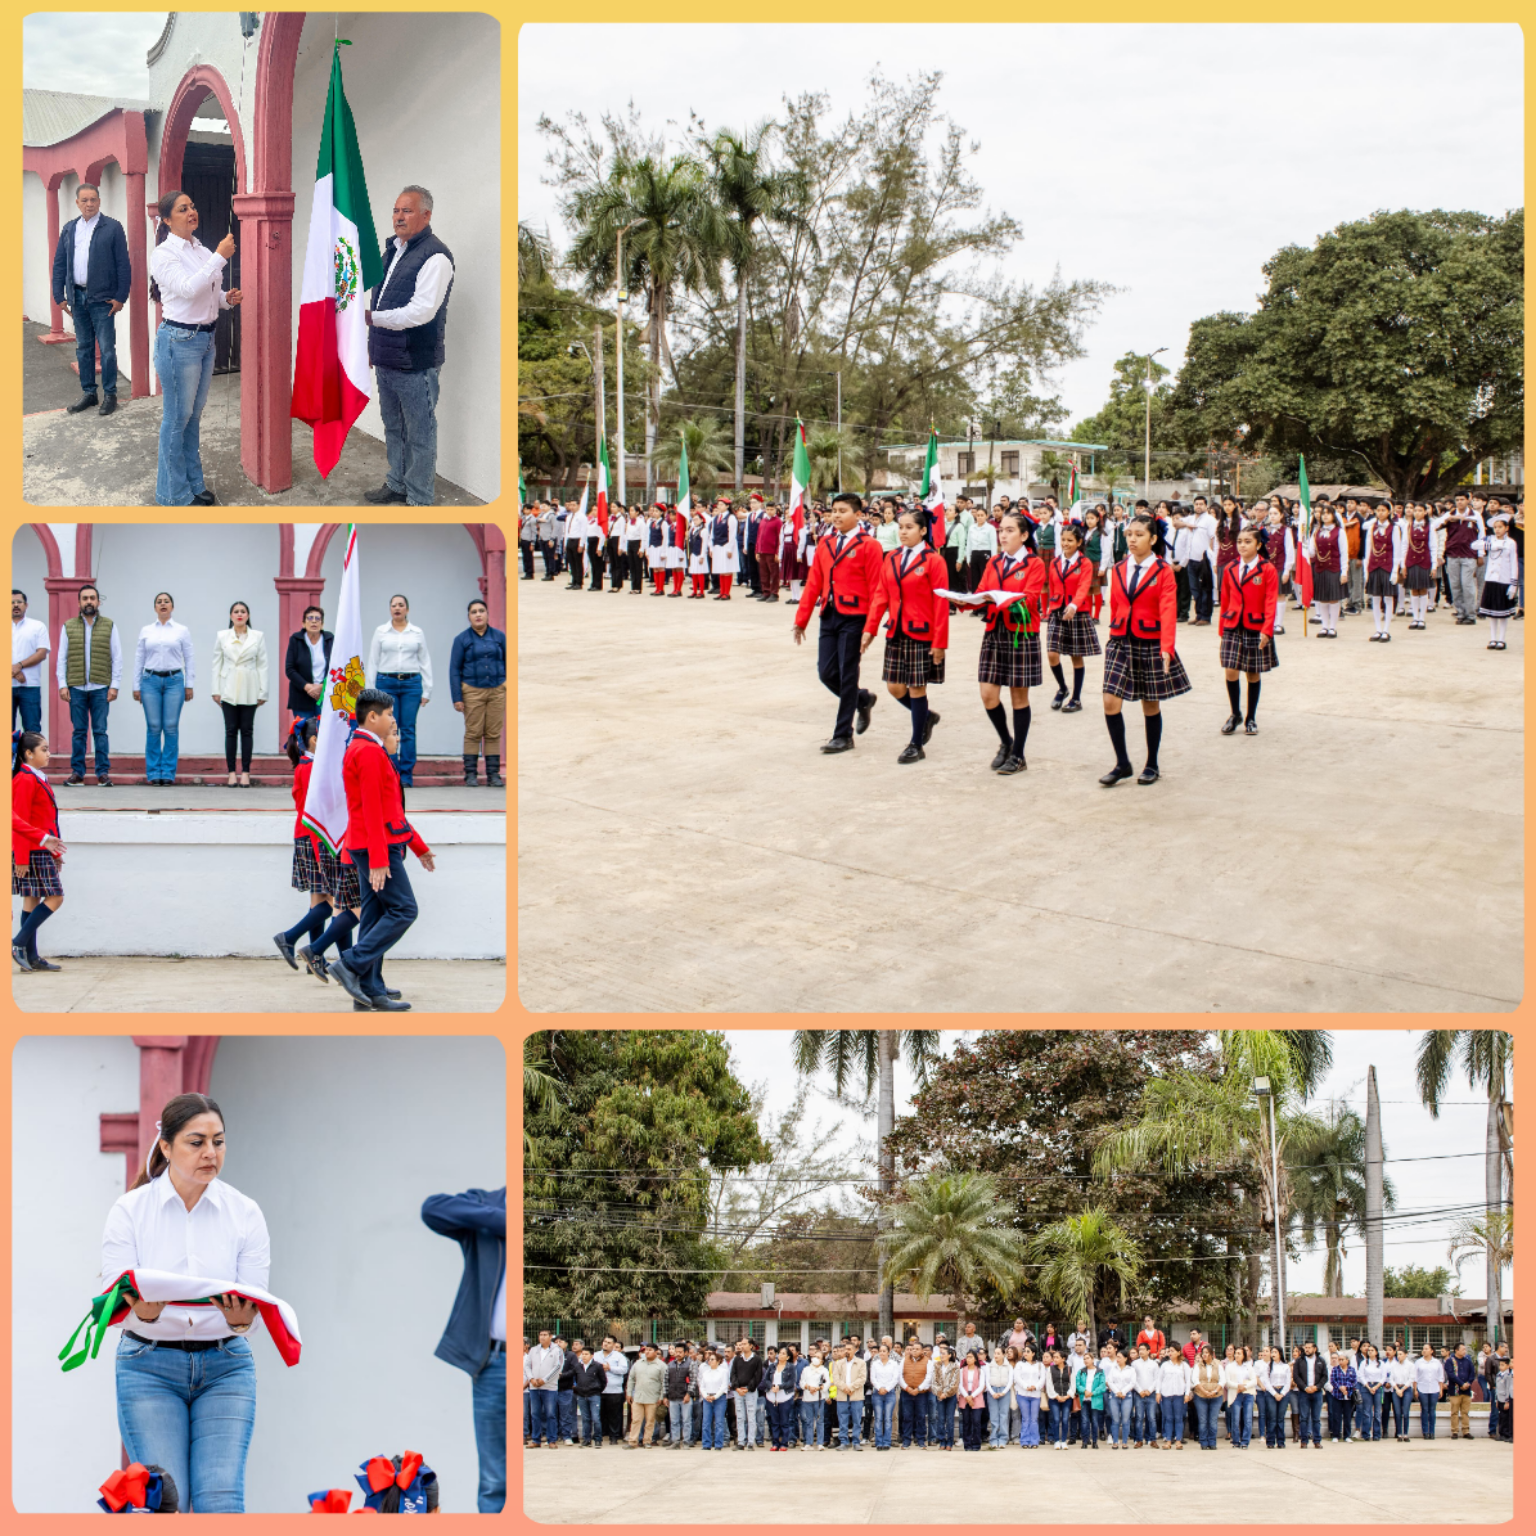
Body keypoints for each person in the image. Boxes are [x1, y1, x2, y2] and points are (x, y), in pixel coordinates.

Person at [102, 1093, 265, 1511]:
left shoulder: (245, 1213)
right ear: (166, 1146)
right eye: (197, 1142)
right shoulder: (130, 1210)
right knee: (163, 1503)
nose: (210, 1153)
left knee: (221, 1500)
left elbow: (254, 1303)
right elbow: (113, 1297)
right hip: (148, 1366)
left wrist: (243, 1320)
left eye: (219, 1141)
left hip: (226, 1367)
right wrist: (139, 1311)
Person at [328, 689, 435, 1011]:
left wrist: (419, 848)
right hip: (376, 848)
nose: (393, 720)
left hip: (371, 845)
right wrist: (378, 859)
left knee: (374, 919)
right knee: (404, 910)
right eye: (389, 714)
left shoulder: (365, 748)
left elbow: (391, 811)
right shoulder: (369, 752)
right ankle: (350, 964)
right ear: (372, 716)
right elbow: (373, 810)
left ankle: (369, 990)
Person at [149, 189, 242, 504]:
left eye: (192, 206)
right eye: (182, 209)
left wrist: (225, 300)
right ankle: (172, 494)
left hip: (204, 339)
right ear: (166, 219)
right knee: (177, 418)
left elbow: (208, 293)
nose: (191, 212)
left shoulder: (200, 250)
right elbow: (187, 290)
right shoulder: (164, 254)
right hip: (179, 341)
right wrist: (219, 257)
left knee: (192, 417)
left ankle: (193, 483)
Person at [363, 187, 454, 506]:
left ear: (426, 215)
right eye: (396, 210)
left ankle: (418, 498)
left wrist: (371, 319)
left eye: (408, 211)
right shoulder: (392, 251)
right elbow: (382, 298)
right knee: (394, 428)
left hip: (415, 362)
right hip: (387, 358)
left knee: (420, 434)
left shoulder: (436, 256)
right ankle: (397, 483)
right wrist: (373, 346)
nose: (399, 217)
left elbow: (421, 311)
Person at [420, 1185, 505, 1500]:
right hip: (493, 1362)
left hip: (514, 1359)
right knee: (494, 1481)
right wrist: (498, 1218)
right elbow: (433, 1208)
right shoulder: (487, 1204)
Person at [1099, 513, 1190, 786]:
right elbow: (1116, 604)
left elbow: (1168, 609)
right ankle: (1122, 763)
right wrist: (1115, 629)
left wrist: (1167, 648)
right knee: (1110, 701)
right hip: (1120, 639)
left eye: (1139, 534)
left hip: (1150, 641)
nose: (1133, 539)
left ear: (1152, 539)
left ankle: (1152, 763)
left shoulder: (1163, 570)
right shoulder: (1118, 568)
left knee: (1150, 704)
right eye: (1129, 534)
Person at [791, 491, 884, 753]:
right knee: (826, 672)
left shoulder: (869, 545)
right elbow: (813, 583)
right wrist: (801, 620)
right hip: (829, 614)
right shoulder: (826, 543)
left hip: (855, 617)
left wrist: (871, 627)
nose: (836, 515)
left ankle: (843, 734)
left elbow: (878, 589)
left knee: (847, 674)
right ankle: (863, 699)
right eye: (834, 510)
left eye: (843, 511)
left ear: (858, 515)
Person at [861, 507, 949, 764]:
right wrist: (870, 628)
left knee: (916, 688)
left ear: (923, 531)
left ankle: (916, 744)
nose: (903, 532)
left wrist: (939, 641)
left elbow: (941, 603)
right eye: (901, 527)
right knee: (894, 686)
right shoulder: (892, 558)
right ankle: (926, 717)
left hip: (922, 632)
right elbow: (881, 595)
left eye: (909, 527)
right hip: (897, 630)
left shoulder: (934, 560)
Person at [53, 181, 133, 419]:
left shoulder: (112, 228)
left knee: (107, 349)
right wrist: (59, 295)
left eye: (93, 199)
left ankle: (110, 395)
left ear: (99, 201)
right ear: (77, 203)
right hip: (76, 298)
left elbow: (123, 265)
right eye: (84, 200)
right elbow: (59, 264)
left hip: (103, 300)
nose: (89, 204)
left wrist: (121, 296)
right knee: (84, 348)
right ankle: (89, 393)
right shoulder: (69, 229)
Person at [973, 510, 1045, 774]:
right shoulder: (993, 563)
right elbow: (981, 592)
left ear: (1024, 536)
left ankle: (1018, 755)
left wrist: (1000, 598)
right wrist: (967, 599)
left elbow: (1030, 599)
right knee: (988, 694)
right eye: (1001, 530)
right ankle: (1005, 740)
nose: (1003, 535)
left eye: (1010, 530)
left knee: (1018, 696)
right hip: (995, 630)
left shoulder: (1034, 564)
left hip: (1020, 634)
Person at [274, 716, 335, 971]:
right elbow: (316, 811)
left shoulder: (306, 766)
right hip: (315, 837)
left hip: (310, 836)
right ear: (314, 740)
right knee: (335, 903)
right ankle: (289, 938)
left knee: (319, 900)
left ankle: (314, 959)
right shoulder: (311, 769)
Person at [12, 729, 67, 972]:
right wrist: (21, 858)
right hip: (32, 850)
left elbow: (47, 819)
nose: (48, 754)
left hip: (42, 848)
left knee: (31, 902)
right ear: (27, 753)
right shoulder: (24, 779)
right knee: (56, 897)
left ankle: (31, 958)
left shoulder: (37, 776)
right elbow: (18, 821)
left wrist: (56, 853)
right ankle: (18, 943)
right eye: (43, 750)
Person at [56, 582, 120, 787]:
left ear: (98, 602)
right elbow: (61, 659)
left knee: (100, 731)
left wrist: (115, 685)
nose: (89, 602)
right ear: (79, 602)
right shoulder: (68, 626)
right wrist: (63, 684)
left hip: (101, 687)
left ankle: (103, 773)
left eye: (92, 598)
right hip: (76, 688)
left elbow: (116, 657)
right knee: (79, 732)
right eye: (85, 598)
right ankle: (77, 773)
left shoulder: (109, 625)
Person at [130, 593, 196, 786]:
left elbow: (189, 657)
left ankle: (167, 772)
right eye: (159, 602)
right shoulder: (146, 630)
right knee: (153, 727)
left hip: (174, 680)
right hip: (150, 680)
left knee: (171, 727)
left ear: (172, 607)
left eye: (166, 601)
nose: (163, 604)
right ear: (155, 608)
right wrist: (136, 686)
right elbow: (139, 659)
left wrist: (189, 684)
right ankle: (153, 772)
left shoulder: (182, 630)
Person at [1218, 526, 1278, 737]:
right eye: (1240, 541)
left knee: (1253, 673)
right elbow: (1225, 598)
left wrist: (1267, 630)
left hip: (1256, 626)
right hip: (1233, 624)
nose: (1242, 545)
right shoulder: (1230, 568)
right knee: (1230, 670)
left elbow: (1271, 601)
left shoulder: (1267, 569)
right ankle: (1235, 714)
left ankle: (1250, 717)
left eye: (1248, 542)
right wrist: (1221, 628)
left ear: (1258, 545)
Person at [367, 595, 433, 786]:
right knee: (388, 729)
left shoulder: (417, 632)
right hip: (386, 683)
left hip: (411, 684)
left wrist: (427, 690)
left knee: (408, 729)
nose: (397, 608)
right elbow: (373, 660)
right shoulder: (381, 631)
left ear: (407, 610)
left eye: (401, 605)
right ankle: (390, 772)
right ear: (390, 609)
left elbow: (425, 660)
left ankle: (406, 775)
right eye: (394, 605)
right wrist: (371, 690)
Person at [1044, 522, 1100, 716]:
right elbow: (1052, 585)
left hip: (1078, 612)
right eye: (1063, 540)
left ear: (1079, 542)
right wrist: (1052, 607)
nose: (1065, 543)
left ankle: (1076, 697)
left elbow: (1084, 587)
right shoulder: (1054, 562)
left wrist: (1074, 605)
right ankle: (1062, 688)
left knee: (1076, 657)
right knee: (1052, 653)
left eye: (1070, 540)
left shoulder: (1084, 563)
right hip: (1058, 610)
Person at [210, 602, 268, 786]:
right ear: (231, 616)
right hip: (228, 686)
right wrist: (215, 690)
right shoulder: (222, 636)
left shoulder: (258, 637)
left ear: (248, 615)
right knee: (230, 730)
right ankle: (231, 773)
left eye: (243, 611)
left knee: (247, 730)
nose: (240, 614)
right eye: (236, 612)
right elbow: (216, 664)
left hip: (250, 686)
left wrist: (263, 691)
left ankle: (246, 772)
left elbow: (262, 665)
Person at [449, 599, 506, 786]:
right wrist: (457, 697)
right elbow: (454, 669)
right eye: (474, 612)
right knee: (473, 733)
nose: (478, 614)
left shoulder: (499, 637)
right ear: (469, 617)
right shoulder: (461, 639)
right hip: (472, 691)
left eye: (482, 611)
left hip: (497, 690)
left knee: (493, 733)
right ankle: (471, 774)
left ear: (487, 614)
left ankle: (493, 775)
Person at [284, 606, 334, 736]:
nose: (314, 621)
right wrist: (307, 687)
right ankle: (304, 758)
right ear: (303, 623)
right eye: (310, 618)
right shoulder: (296, 640)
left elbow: (337, 668)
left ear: (322, 624)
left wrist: (322, 687)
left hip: (325, 695)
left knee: (324, 734)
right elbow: (290, 669)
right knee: (304, 735)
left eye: (318, 619)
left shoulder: (330, 640)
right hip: (301, 696)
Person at [1364, 502, 1407, 642]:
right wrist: (1367, 569)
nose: (1380, 513)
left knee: (1388, 598)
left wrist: (1395, 570)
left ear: (1389, 512)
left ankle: (1386, 630)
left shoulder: (1394, 528)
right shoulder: (1372, 528)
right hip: (1374, 566)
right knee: (1375, 598)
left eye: (1383, 510)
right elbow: (1368, 549)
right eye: (1378, 510)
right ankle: (1378, 629)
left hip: (1387, 566)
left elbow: (1397, 550)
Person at [1478, 514, 1520, 650]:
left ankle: (1501, 639)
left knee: (1502, 613)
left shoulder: (1511, 543)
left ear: (1507, 528)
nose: (1497, 530)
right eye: (1495, 527)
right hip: (1491, 579)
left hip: (1504, 580)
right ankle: (1492, 638)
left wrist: (1513, 584)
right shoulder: (1490, 540)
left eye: (1500, 527)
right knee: (1492, 613)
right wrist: (1490, 545)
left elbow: (1514, 563)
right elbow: (1474, 545)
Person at [1306, 502, 1348, 637]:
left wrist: (1344, 571)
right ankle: (1324, 626)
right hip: (1320, 568)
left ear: (1333, 516)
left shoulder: (1339, 532)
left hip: (1334, 568)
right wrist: (1304, 547)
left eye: (1327, 513)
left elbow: (1344, 552)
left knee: (1333, 599)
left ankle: (1332, 627)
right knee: (1322, 598)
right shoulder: (1316, 532)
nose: (1324, 516)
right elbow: (1312, 552)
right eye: (1323, 514)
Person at [11, 590, 50, 733]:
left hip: (30, 686)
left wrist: (19, 666)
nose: (15, 605)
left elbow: (41, 653)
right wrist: (14, 672)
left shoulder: (37, 626)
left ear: (26, 605)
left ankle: (31, 756)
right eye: (11, 602)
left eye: (19, 602)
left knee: (32, 731)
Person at [623, 1344, 665, 1448]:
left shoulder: (661, 1365)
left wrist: (661, 1397)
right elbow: (631, 1378)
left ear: (656, 1352)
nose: (647, 1352)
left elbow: (664, 1383)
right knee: (636, 1420)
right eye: (646, 1350)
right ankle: (632, 1442)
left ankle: (647, 1441)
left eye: (650, 1350)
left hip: (652, 1398)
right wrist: (629, 1393)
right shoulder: (638, 1363)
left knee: (650, 1421)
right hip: (638, 1397)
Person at [729, 1337, 763, 1452]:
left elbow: (758, 1376)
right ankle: (740, 1442)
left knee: (751, 1416)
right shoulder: (737, 1359)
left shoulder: (757, 1359)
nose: (741, 1346)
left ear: (751, 1346)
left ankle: (750, 1442)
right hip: (738, 1392)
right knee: (740, 1416)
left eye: (744, 1344)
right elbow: (733, 1374)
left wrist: (748, 1388)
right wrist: (737, 1387)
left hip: (751, 1392)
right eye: (741, 1344)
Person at [1156, 1346, 1192, 1450]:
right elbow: (1159, 1379)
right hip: (1166, 1395)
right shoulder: (1165, 1365)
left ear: (1178, 1352)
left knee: (1179, 1418)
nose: (1170, 1353)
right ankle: (1168, 1440)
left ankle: (1178, 1440)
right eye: (1169, 1351)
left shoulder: (1184, 1365)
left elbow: (1188, 1381)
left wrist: (1187, 1393)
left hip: (1179, 1395)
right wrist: (1158, 1392)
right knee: (1168, 1418)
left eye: (1172, 1351)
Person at [832, 1340, 866, 1452]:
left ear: (855, 1350)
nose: (846, 1351)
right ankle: (844, 1442)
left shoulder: (861, 1363)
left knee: (856, 1419)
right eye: (845, 1349)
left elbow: (862, 1378)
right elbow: (836, 1379)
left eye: (849, 1349)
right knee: (842, 1419)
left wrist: (851, 1387)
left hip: (856, 1395)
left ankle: (856, 1442)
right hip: (842, 1395)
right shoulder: (839, 1363)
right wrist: (845, 1388)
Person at [1293, 1340, 1327, 1448]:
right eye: (1305, 1347)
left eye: (1309, 1347)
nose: (1306, 1349)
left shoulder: (1321, 1360)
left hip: (1317, 1393)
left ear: (1314, 1349)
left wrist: (1316, 1387)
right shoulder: (1299, 1361)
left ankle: (1317, 1441)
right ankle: (1304, 1441)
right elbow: (1296, 1376)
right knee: (1303, 1417)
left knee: (1316, 1418)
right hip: (1304, 1393)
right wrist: (1305, 1387)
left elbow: (1325, 1376)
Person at [595, 1337, 629, 1445]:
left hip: (614, 1390)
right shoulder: (596, 1355)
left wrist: (610, 1368)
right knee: (599, 1414)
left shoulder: (619, 1356)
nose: (605, 1344)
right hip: (599, 1390)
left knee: (614, 1415)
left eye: (609, 1343)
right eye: (604, 1342)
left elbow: (624, 1369)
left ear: (613, 1345)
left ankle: (614, 1436)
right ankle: (599, 1435)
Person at [572, 1346, 606, 1448]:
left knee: (596, 1418)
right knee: (585, 1418)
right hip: (582, 1395)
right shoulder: (578, 1366)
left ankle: (598, 1439)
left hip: (594, 1395)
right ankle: (586, 1439)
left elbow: (603, 1381)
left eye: (586, 1354)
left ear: (592, 1355)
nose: (584, 1356)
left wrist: (597, 1390)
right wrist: (577, 1389)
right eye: (583, 1354)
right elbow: (574, 1378)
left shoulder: (597, 1366)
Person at [1103, 1350, 1135, 1450]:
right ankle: (1115, 1441)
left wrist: (1123, 1392)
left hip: (1127, 1396)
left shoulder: (1131, 1369)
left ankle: (1124, 1442)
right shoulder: (1113, 1369)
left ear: (1125, 1358)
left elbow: (1132, 1383)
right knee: (1115, 1419)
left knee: (1126, 1420)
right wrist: (1117, 1392)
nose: (1117, 1359)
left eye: (1120, 1357)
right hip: (1114, 1396)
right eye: (1117, 1357)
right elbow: (1109, 1381)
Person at [1073, 1349, 1105, 1450]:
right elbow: (1077, 1384)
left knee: (1095, 1421)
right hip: (1084, 1400)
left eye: (1087, 1358)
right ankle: (1085, 1441)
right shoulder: (1081, 1372)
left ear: (1092, 1359)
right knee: (1084, 1421)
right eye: (1084, 1359)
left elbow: (1102, 1385)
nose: (1085, 1360)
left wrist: (1093, 1393)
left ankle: (1095, 1441)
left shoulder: (1100, 1371)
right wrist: (1085, 1391)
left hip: (1095, 1399)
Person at [1356, 1343, 1388, 1442]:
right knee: (1366, 1412)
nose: (1370, 1352)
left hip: (1378, 1387)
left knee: (1377, 1412)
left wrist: (1376, 1386)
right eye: (1369, 1350)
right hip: (1366, 1387)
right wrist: (1368, 1387)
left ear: (1376, 1352)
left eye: (1372, 1350)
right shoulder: (1364, 1363)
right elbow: (1361, 1376)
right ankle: (1366, 1434)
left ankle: (1377, 1434)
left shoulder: (1381, 1364)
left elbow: (1383, 1377)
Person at [1444, 1341, 1476, 1438]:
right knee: (1454, 1412)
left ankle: (1466, 1431)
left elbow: (1472, 1374)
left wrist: (1468, 1383)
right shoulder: (1450, 1361)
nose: (1465, 1351)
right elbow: (1451, 1375)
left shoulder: (1468, 1361)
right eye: (1463, 1349)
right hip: (1454, 1390)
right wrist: (1461, 1383)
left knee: (1465, 1412)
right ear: (1457, 1350)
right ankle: (1455, 1431)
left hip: (1466, 1390)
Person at [798, 1347, 828, 1451]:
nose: (816, 1358)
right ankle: (808, 1443)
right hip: (807, 1398)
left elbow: (827, 1383)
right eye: (815, 1356)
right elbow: (801, 1382)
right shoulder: (806, 1370)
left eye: (818, 1357)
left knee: (820, 1420)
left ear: (822, 1360)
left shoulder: (824, 1370)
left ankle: (820, 1443)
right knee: (809, 1421)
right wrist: (808, 1387)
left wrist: (818, 1388)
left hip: (819, 1398)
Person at [1131, 1342, 1160, 1449]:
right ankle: (1138, 1440)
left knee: (1152, 1417)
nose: (1141, 1351)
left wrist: (1149, 1390)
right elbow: (1133, 1379)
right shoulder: (1134, 1364)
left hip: (1151, 1394)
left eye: (1143, 1349)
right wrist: (1140, 1390)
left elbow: (1157, 1379)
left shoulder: (1154, 1364)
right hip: (1139, 1394)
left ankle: (1152, 1440)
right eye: (1140, 1349)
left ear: (1148, 1351)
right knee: (1138, 1417)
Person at [1263, 1345, 1291, 1450]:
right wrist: (1275, 1394)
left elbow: (1288, 1382)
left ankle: (1281, 1441)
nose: (1273, 1354)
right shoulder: (1269, 1366)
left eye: (1275, 1352)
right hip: (1272, 1392)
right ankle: (1270, 1441)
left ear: (1280, 1353)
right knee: (1272, 1418)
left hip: (1283, 1392)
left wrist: (1282, 1393)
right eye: (1272, 1352)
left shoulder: (1286, 1366)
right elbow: (1266, 1382)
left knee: (1280, 1418)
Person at [931, 1344, 959, 1450]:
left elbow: (955, 1383)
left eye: (943, 1353)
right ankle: (942, 1441)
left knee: (950, 1419)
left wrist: (945, 1393)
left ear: (949, 1355)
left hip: (950, 1396)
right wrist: (939, 1393)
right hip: (939, 1396)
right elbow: (934, 1381)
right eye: (941, 1353)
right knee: (941, 1418)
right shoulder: (937, 1365)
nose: (941, 1355)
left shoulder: (955, 1366)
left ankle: (949, 1442)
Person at [1326, 1348, 1357, 1442]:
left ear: (1347, 1361)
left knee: (1347, 1416)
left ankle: (1347, 1436)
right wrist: (1340, 1387)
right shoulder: (1335, 1369)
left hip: (1348, 1395)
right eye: (1339, 1360)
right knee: (1336, 1416)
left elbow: (1354, 1381)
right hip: (1337, 1395)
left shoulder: (1352, 1370)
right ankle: (1336, 1435)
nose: (1340, 1361)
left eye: (1342, 1359)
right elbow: (1333, 1380)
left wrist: (1346, 1388)